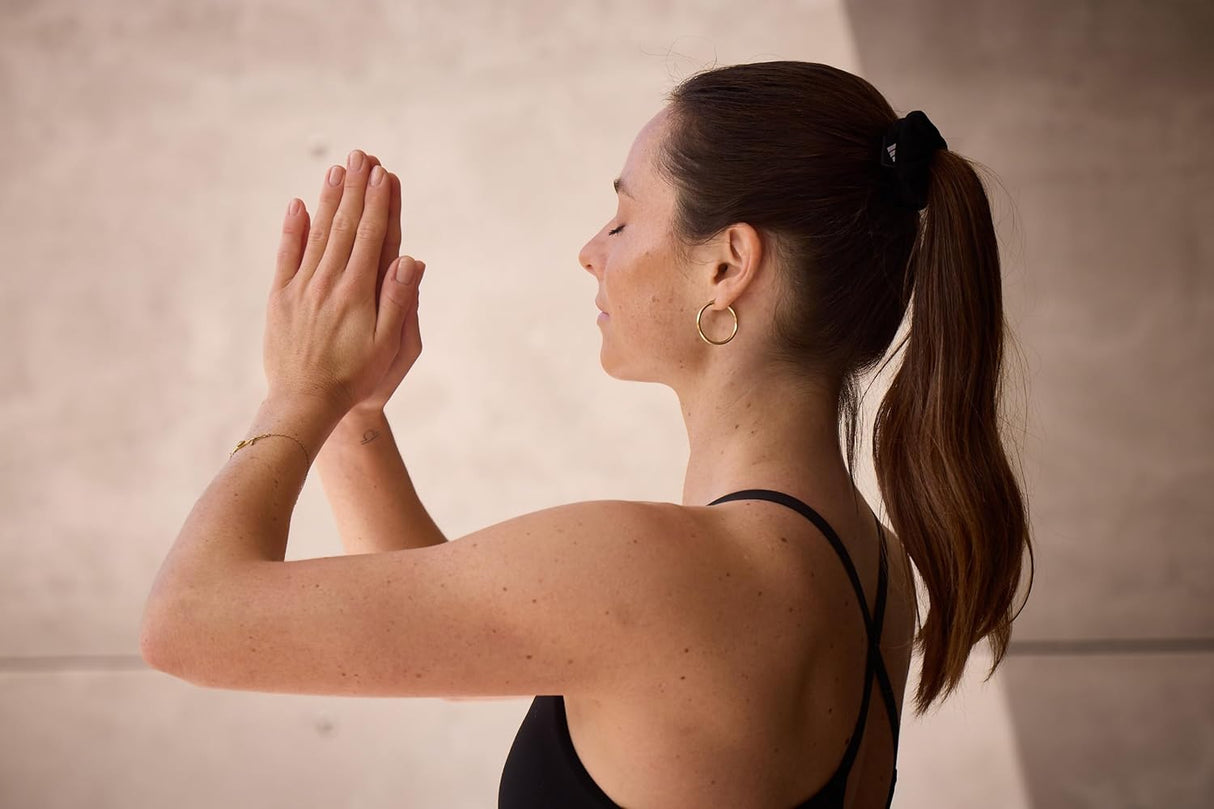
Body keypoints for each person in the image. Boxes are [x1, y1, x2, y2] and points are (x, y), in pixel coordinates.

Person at [142, 59, 1032, 809]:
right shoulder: (872, 570)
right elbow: (452, 629)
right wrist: (353, 416)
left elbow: (189, 623)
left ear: (728, 264)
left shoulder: (659, 568)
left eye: (623, 217)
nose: (591, 249)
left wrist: (299, 394)